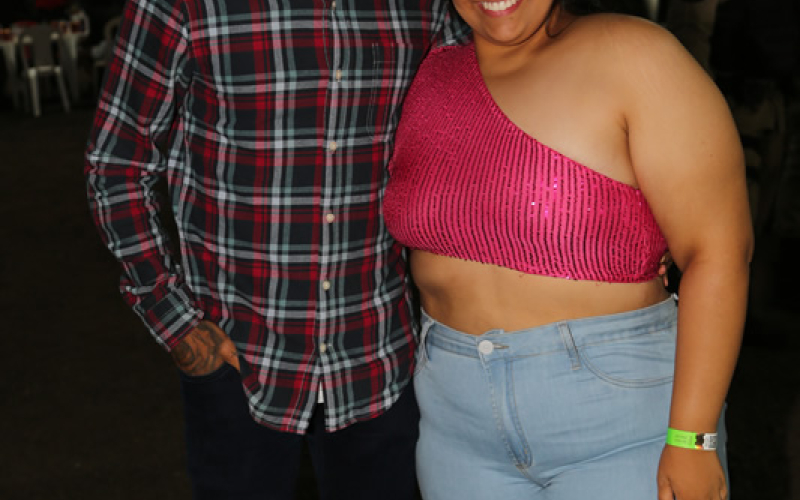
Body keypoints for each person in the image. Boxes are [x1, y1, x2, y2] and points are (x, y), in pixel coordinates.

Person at [84, 0, 467, 498]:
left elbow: (472, 124)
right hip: (238, 358)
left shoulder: (428, 6)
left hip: (379, 356)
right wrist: (174, 322)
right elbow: (116, 164)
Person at [383, 0, 753, 499]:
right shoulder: (429, 74)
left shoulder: (633, 55)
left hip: (621, 420)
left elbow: (718, 251)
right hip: (454, 421)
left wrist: (693, 438)